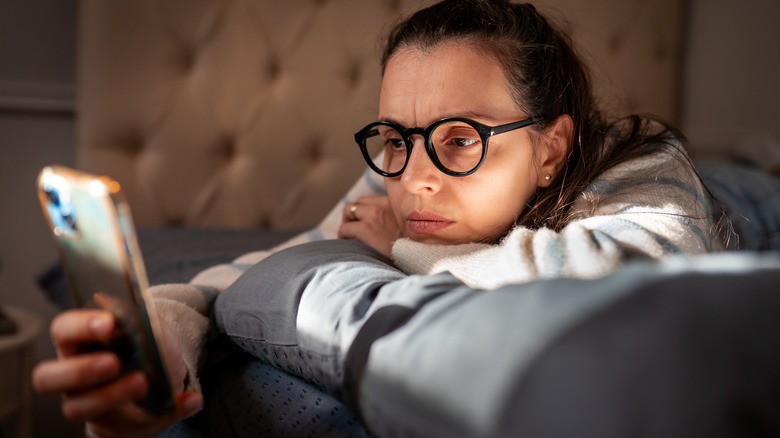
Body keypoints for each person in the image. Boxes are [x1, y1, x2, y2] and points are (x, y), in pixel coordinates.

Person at [32, 0, 723, 436]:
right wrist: (166, 323)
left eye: (460, 138)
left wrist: (407, 251)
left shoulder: (642, 165)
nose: (415, 176)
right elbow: (282, 258)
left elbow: (625, 284)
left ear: (552, 148)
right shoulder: (400, 170)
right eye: (396, 138)